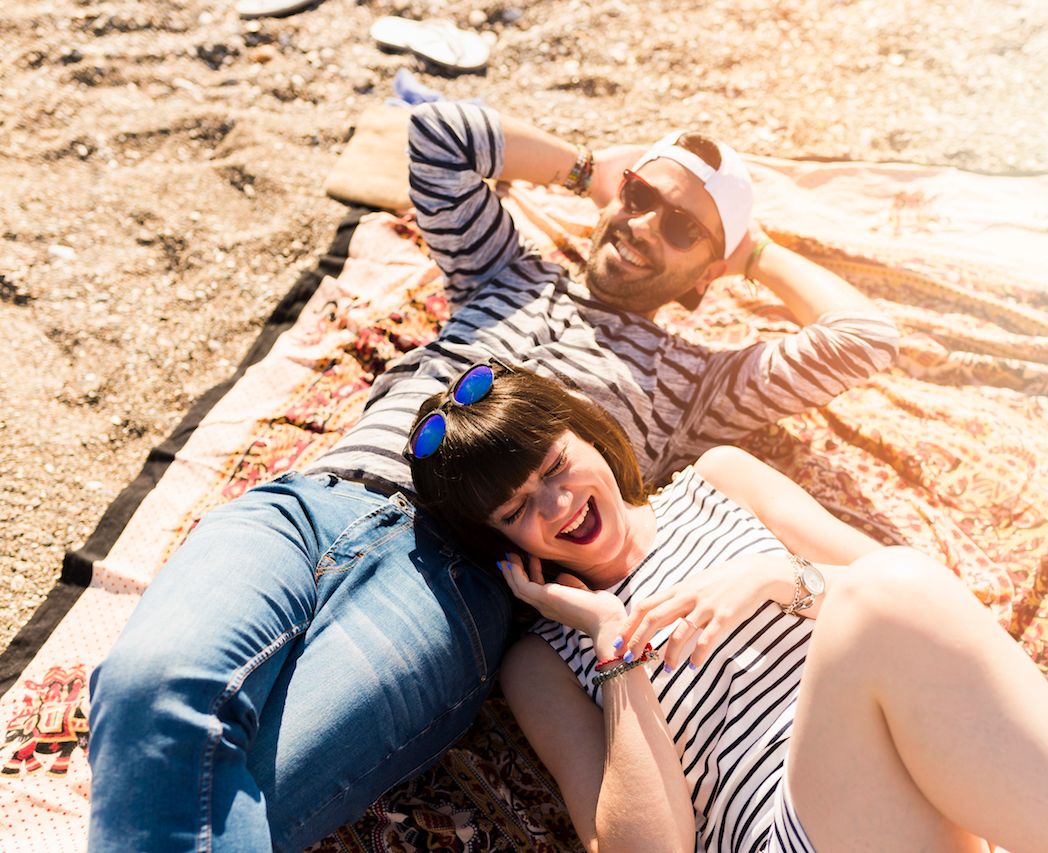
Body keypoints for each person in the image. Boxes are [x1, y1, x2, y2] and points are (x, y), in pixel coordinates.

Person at [87, 99, 900, 850]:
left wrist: (748, 250)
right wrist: (587, 170)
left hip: (450, 575)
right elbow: (439, 134)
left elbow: (865, 337)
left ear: (706, 276)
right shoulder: (502, 273)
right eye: (642, 195)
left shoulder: (696, 383)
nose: (645, 221)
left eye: (682, 226)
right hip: (311, 505)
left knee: (244, 788)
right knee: (142, 689)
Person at [408, 361, 1048, 853]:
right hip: (788, 835)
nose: (557, 504)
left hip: (916, 794)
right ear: (504, 544)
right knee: (883, 599)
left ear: (584, 429)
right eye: (517, 510)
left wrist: (781, 578)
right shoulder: (545, 658)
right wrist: (615, 645)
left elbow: (933, 612)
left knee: (889, 593)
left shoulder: (720, 480)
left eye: (553, 465)